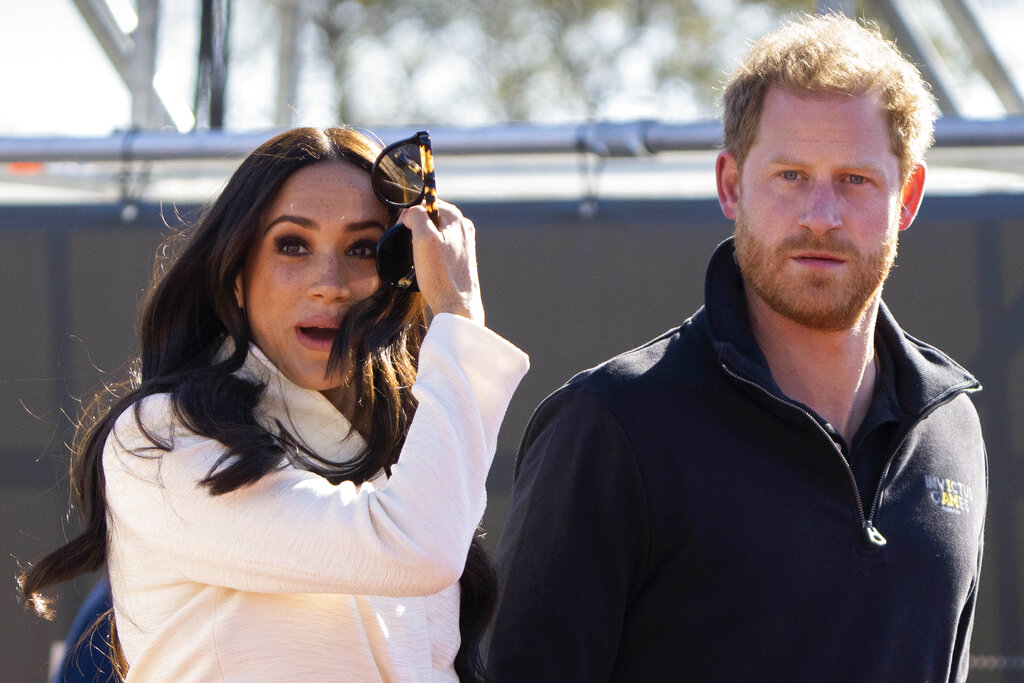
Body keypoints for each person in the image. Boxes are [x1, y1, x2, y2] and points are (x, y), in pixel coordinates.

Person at [486, 13, 986, 682]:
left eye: (855, 180)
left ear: (909, 197)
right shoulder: (611, 426)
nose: (821, 214)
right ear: (730, 184)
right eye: (789, 175)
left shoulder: (952, 429)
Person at [20, 126, 529, 681]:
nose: (329, 284)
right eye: (293, 245)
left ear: (396, 275)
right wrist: (457, 316)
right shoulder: (164, 436)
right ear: (236, 275)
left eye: (362, 248)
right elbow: (413, 548)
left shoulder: (409, 457)